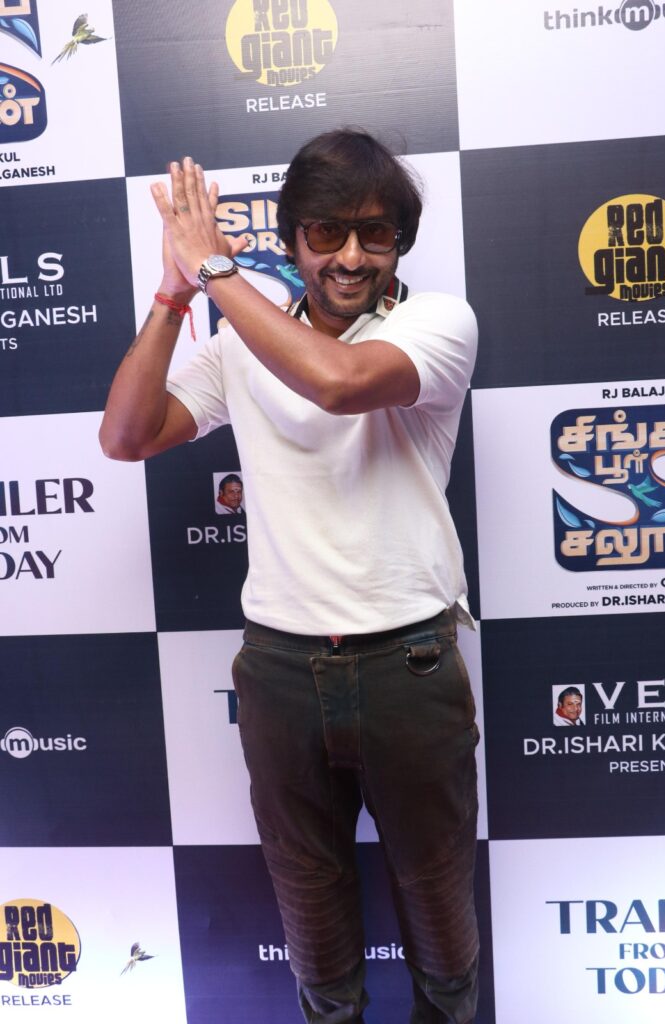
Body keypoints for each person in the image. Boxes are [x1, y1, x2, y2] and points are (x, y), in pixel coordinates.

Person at [99, 128, 479, 1024]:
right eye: (326, 232)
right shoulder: (243, 342)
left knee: (438, 903)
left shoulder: (437, 322)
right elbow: (126, 436)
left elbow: (339, 383)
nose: (350, 256)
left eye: (375, 234)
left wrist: (215, 271)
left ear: (399, 244)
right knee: (311, 917)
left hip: (409, 664)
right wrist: (173, 290)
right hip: (279, 670)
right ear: (294, 239)